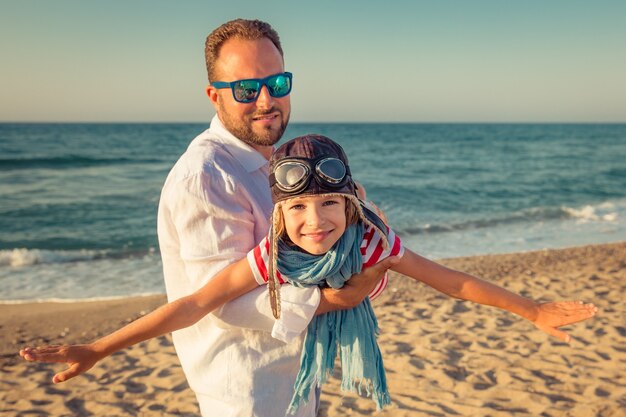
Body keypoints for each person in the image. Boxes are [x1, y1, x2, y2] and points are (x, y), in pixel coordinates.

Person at [20, 134, 598, 415]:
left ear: (350, 202)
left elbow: (453, 281)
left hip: (304, 371)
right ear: (277, 212)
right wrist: (100, 346)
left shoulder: (371, 236)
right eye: (296, 208)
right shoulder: (271, 253)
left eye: (327, 204)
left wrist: (533, 310)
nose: (313, 221)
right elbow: (195, 303)